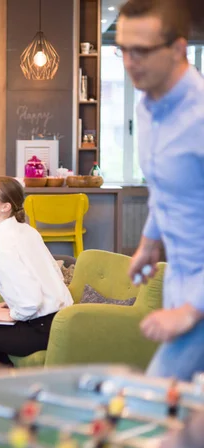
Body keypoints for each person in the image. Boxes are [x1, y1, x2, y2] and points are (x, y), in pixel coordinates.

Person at [117, 0, 204, 381]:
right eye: (122, 49)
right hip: (179, 287)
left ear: (178, 49)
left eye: (142, 51)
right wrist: (149, 243)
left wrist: (191, 310)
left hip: (197, 304)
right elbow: (167, 190)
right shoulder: (147, 106)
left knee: (155, 412)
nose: (129, 61)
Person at [0, 177, 73, 367]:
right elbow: (55, 275)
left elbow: (31, 302)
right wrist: (13, 301)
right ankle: (9, 385)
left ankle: (2, 390)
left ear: (5, 207)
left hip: (42, 329)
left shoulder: (5, 244)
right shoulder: (26, 230)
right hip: (60, 321)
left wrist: (14, 313)